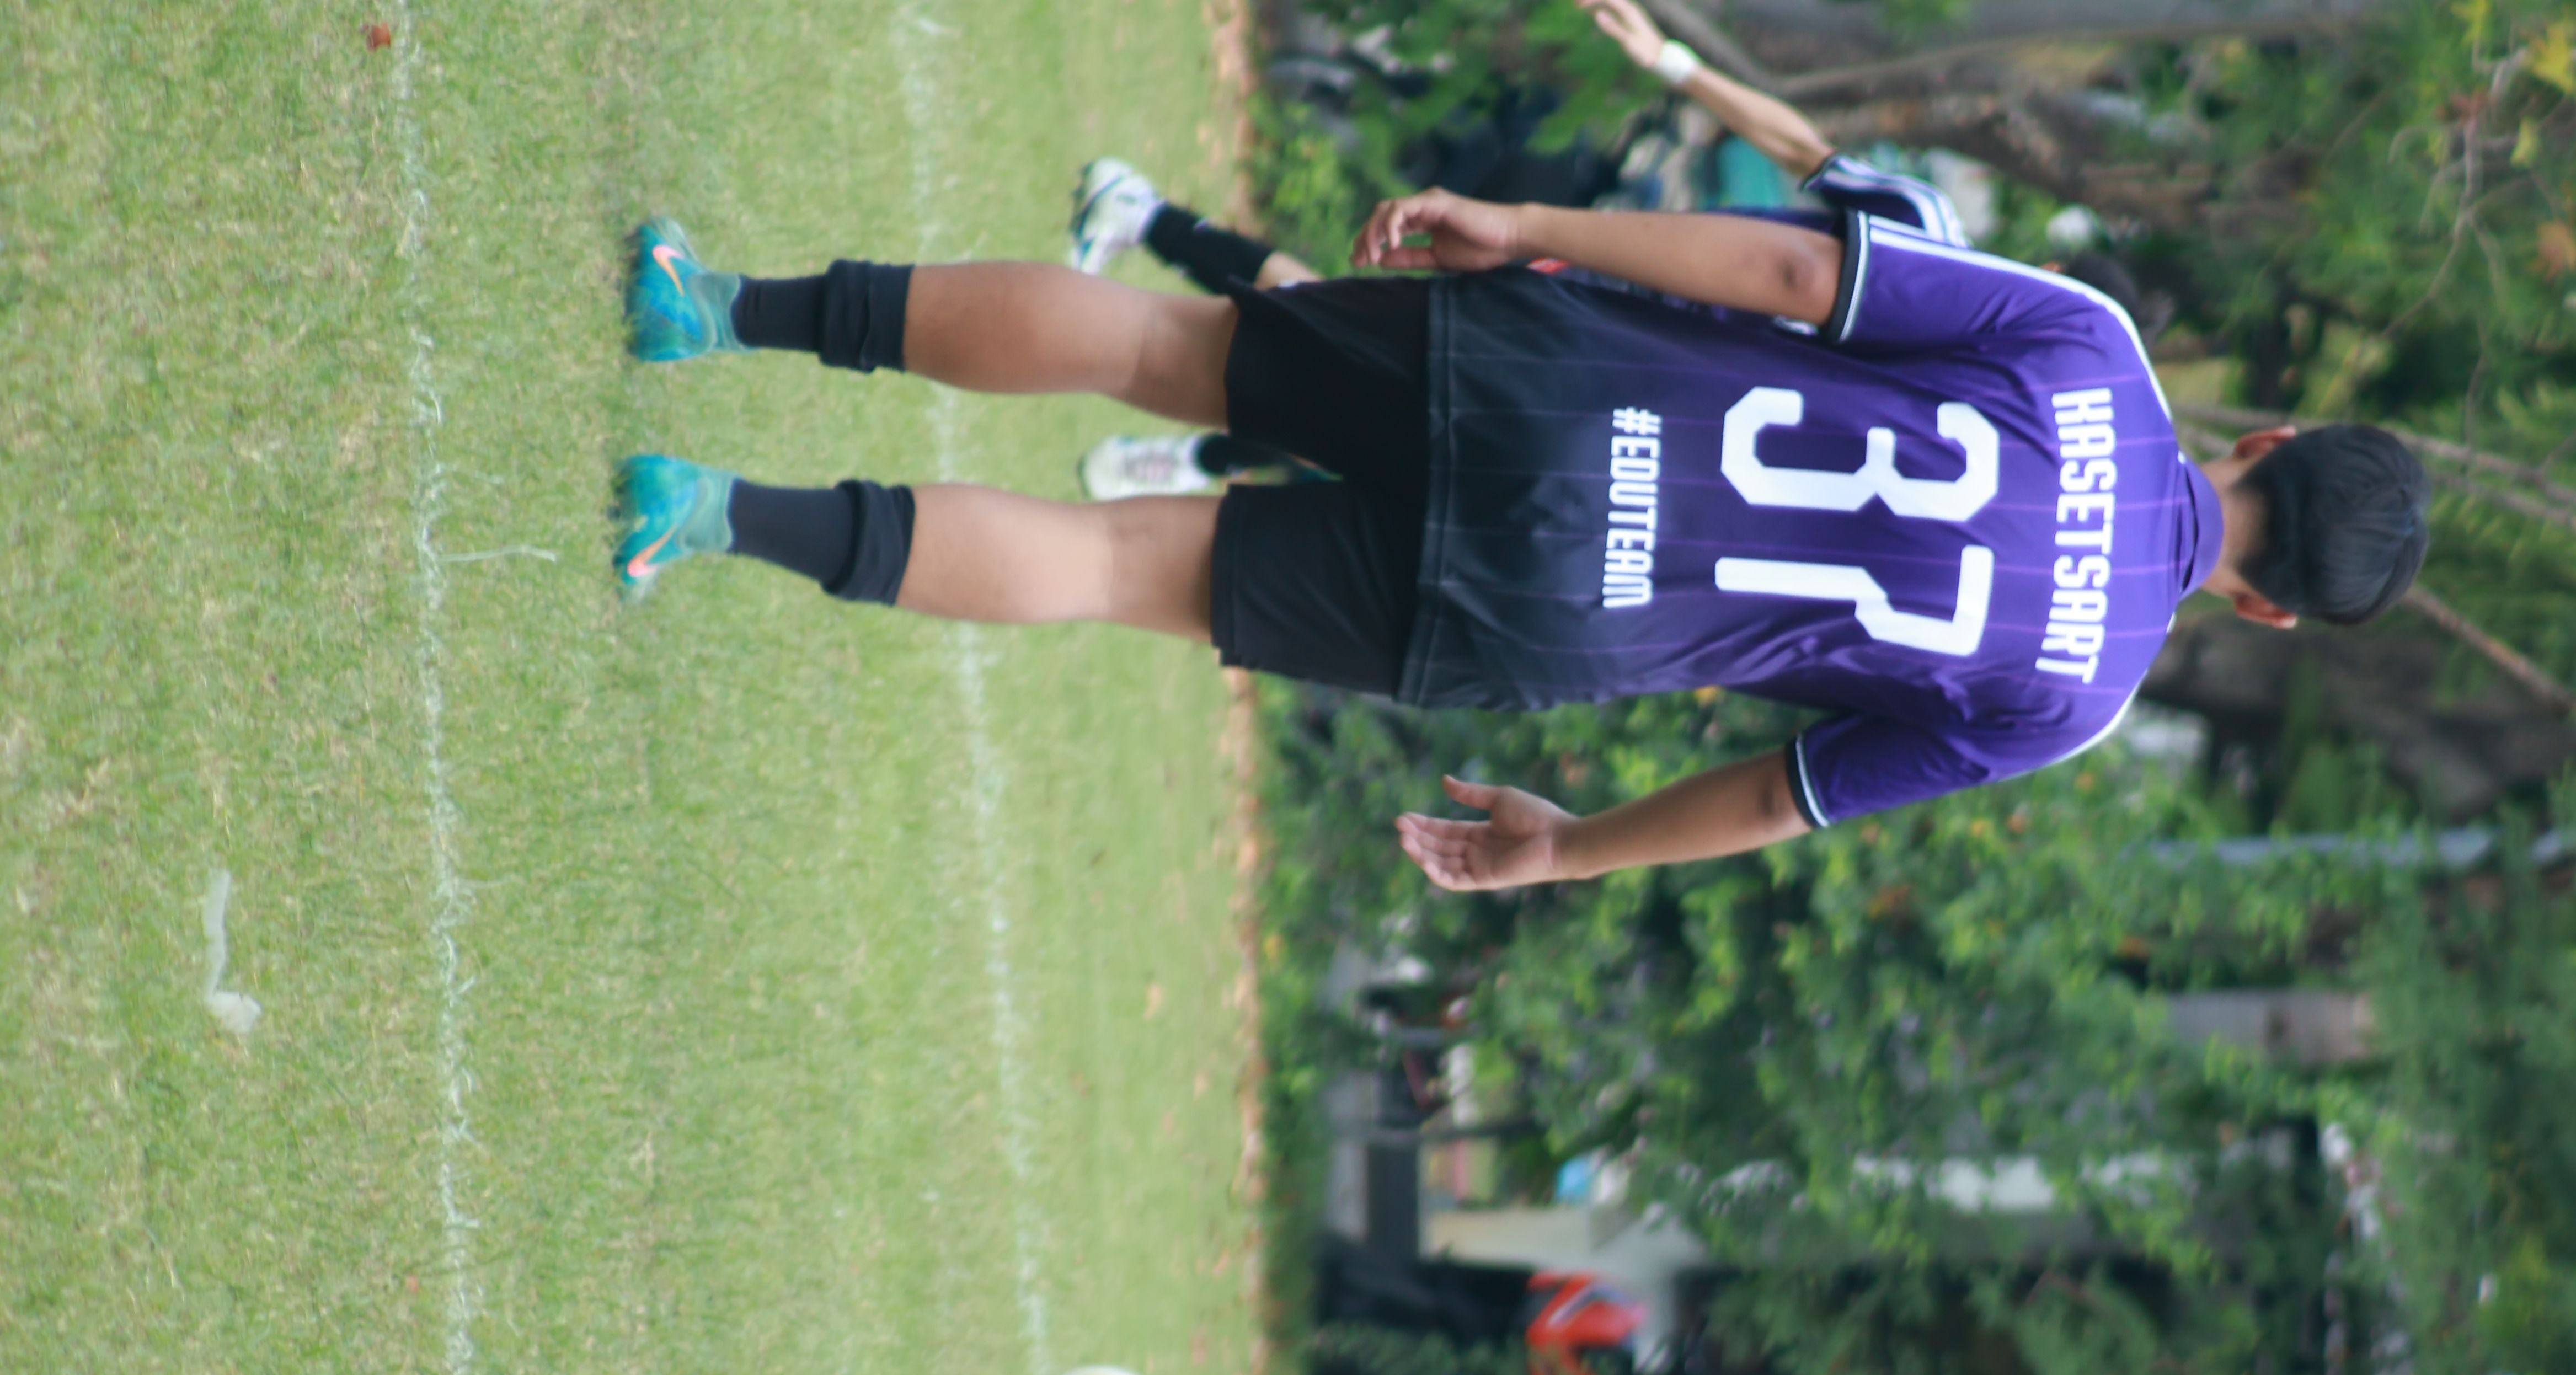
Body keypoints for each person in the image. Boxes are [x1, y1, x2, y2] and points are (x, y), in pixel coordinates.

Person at [609, 170, 2425, 892]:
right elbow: (1777, 795)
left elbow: (1795, 274)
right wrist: (1563, 855)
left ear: (2268, 435)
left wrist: (1534, 223)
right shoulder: (2074, 702)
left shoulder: (2096, 352)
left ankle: (721, 311)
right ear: (2270, 612)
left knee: (1165, 349)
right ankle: (703, 516)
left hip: (1568, 390)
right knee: (1107, 568)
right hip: (1558, 610)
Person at [1065, 0, 1971, 500]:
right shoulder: (1925, 236)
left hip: (1637, 418)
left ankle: (1197, 433)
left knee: (1395, 435)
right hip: (1598, 308)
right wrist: (1671, 63)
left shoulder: (1954, 420)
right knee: (1339, 341)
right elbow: (1803, 149)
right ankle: (1148, 230)